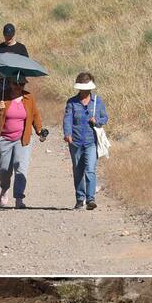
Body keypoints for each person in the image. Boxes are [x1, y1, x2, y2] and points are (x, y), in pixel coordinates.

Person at [0, 74, 43, 208]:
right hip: (4, 138)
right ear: (10, 83)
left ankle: (19, 197)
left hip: (22, 139)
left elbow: (35, 115)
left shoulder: (29, 98)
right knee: (4, 169)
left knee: (21, 168)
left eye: (21, 84)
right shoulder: (2, 96)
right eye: (16, 83)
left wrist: (39, 130)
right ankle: (4, 189)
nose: (18, 87)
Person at [64, 72, 109, 210]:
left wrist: (97, 121)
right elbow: (67, 119)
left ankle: (90, 199)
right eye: (82, 88)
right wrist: (67, 133)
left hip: (91, 142)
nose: (84, 91)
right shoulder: (71, 102)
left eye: (86, 88)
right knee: (78, 171)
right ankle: (79, 198)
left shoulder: (98, 101)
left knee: (90, 170)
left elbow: (105, 118)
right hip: (75, 142)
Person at [0, 23, 28, 94]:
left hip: (16, 83)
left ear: (14, 34)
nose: (8, 38)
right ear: (3, 34)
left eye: (10, 36)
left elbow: (26, 66)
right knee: (0, 104)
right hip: (1, 82)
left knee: (14, 104)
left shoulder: (21, 48)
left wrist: (22, 82)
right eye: (7, 36)